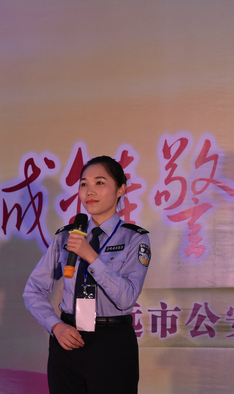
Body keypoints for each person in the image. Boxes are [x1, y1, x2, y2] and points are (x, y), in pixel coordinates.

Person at [23, 155, 151, 394]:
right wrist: (55, 326)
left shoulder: (135, 238)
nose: (89, 191)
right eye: (84, 184)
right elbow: (33, 290)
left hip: (111, 343)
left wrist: (91, 256)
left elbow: (126, 298)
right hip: (67, 340)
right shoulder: (66, 236)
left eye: (99, 183)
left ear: (121, 189)